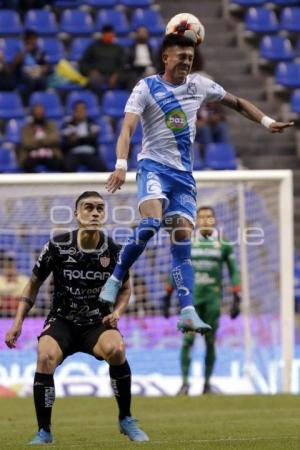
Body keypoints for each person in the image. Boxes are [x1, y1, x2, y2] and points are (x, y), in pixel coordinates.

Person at [99, 33, 293, 335]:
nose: (186, 63)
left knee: (182, 246)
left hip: (184, 178)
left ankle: (187, 311)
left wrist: (267, 122)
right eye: (181, 57)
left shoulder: (199, 85)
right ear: (166, 57)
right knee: (150, 222)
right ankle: (116, 277)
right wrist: (121, 164)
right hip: (153, 167)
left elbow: (238, 102)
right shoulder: (146, 87)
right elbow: (127, 128)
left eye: (190, 58)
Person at [5, 191, 149, 444]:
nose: (94, 213)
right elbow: (32, 285)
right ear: (77, 214)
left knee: (116, 350)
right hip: (62, 320)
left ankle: (126, 418)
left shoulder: (114, 250)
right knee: (45, 356)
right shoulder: (57, 246)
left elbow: (126, 289)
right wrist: (17, 323)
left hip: (97, 322)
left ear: (104, 214)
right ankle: (44, 431)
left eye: (99, 209)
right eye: (88, 208)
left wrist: (116, 313)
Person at [163, 206, 241, 395]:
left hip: (213, 300)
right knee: (187, 341)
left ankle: (206, 384)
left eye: (209, 217)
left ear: (214, 220)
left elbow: (233, 271)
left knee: (210, 342)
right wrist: (167, 294)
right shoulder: (187, 241)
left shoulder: (224, 243)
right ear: (196, 220)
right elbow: (177, 267)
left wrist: (237, 296)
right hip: (191, 301)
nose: (205, 220)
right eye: (202, 217)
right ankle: (184, 383)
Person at [79, 25, 127, 91]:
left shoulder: (118, 48)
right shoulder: (94, 47)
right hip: (98, 75)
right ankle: (96, 100)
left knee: (127, 79)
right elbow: (83, 62)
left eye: (111, 34)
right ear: (103, 35)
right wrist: (90, 71)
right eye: (107, 34)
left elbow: (122, 64)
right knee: (93, 80)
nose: (109, 36)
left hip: (114, 75)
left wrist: (116, 75)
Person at [62, 100, 106, 172]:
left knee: (102, 167)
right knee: (67, 166)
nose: (81, 112)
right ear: (74, 111)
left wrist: (78, 139)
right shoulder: (68, 124)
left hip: (89, 152)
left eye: (83, 110)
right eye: (78, 110)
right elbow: (67, 142)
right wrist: (85, 138)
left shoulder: (92, 123)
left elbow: (93, 139)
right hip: (73, 153)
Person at [19, 103, 64, 173]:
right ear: (32, 114)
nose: (39, 115)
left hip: (50, 154)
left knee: (60, 163)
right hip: (32, 155)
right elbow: (26, 143)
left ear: (44, 113)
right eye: (36, 113)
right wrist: (46, 141)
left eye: (41, 113)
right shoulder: (26, 128)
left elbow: (55, 138)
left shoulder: (52, 125)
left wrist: (37, 141)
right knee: (27, 165)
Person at [11, 30, 50, 101]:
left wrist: (42, 70)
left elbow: (46, 65)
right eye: (31, 39)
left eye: (35, 39)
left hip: (37, 73)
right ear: (26, 40)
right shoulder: (19, 50)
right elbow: (13, 66)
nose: (33, 41)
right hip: (22, 75)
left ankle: (41, 102)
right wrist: (25, 52)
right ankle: (28, 103)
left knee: (43, 81)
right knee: (31, 81)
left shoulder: (40, 51)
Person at [0, 251, 29, 317]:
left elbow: (26, 297)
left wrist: (5, 296)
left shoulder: (24, 279)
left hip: (23, 315)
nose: (10, 268)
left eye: (12, 265)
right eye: (7, 265)